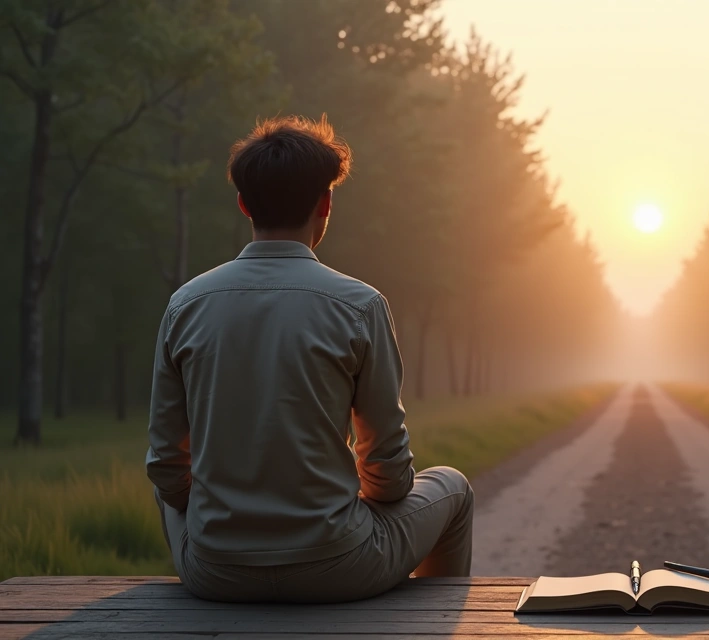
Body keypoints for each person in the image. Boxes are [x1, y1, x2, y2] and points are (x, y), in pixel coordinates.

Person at [145, 115, 474, 603]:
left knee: (169, 484)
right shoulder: (360, 306)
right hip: (338, 567)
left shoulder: (185, 305)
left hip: (215, 572)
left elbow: (167, 468)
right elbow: (386, 473)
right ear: (325, 203)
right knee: (454, 487)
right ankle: (434, 622)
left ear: (243, 204)